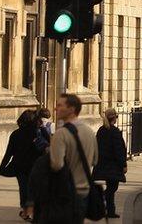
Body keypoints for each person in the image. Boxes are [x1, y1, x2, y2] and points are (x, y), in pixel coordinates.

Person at [50, 93, 97, 224]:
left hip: (65, 194)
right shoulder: (89, 132)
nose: (55, 109)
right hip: (84, 193)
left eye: (60, 105)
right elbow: (94, 160)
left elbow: (56, 165)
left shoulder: (61, 134)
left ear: (71, 109)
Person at [0, 109, 46, 220]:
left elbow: (9, 152)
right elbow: (48, 147)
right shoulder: (40, 132)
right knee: (35, 189)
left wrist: (2, 167)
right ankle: (34, 211)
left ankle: (26, 211)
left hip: (20, 167)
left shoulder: (16, 134)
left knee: (24, 188)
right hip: (37, 166)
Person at [94, 109, 127, 219]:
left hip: (103, 163)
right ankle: (107, 208)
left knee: (111, 187)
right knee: (112, 188)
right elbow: (119, 150)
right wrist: (123, 164)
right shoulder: (114, 131)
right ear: (114, 118)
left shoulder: (101, 130)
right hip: (113, 165)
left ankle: (110, 210)